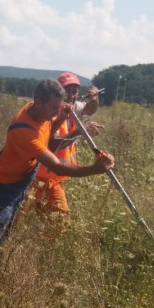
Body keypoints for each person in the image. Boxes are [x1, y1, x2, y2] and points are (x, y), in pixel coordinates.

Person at [0, 78, 114, 298]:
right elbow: (55, 165)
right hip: (5, 187)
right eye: (54, 108)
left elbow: (52, 136)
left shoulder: (41, 112)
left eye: (59, 107)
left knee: (4, 232)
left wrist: (60, 117)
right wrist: (96, 168)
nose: (57, 113)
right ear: (38, 101)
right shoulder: (25, 132)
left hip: (25, 178)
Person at [32, 71, 103, 220]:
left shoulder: (73, 107)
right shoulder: (52, 112)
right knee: (18, 221)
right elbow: (53, 144)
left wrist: (94, 99)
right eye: (67, 91)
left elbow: (90, 109)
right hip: (38, 176)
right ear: (59, 93)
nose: (71, 95)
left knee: (60, 223)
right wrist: (81, 132)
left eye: (74, 91)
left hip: (55, 178)